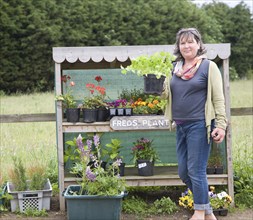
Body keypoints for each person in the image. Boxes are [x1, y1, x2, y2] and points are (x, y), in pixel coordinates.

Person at [163, 28, 227, 220]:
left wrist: (221, 125)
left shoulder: (208, 67)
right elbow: (168, 94)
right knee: (184, 172)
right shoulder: (174, 68)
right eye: (182, 43)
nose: (186, 46)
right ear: (178, 47)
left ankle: (199, 212)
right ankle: (208, 212)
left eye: (190, 42)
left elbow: (218, 98)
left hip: (200, 125)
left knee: (196, 170)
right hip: (180, 126)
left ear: (198, 44)